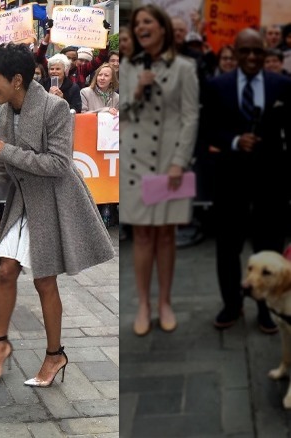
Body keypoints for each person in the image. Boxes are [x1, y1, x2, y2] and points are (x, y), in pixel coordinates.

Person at [0, 43, 114, 386]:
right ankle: (1, 347)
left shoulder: (55, 108)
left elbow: (59, 165)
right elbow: (3, 171)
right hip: (22, 202)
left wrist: (8, 151)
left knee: (45, 281)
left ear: (17, 80)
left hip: (54, 201)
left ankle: (55, 355)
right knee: (6, 271)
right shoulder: (2, 113)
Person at [203, 28, 291, 332]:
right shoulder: (217, 86)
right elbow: (207, 130)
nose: (252, 57)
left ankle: (267, 308)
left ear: (266, 53)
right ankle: (232, 304)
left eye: (258, 51)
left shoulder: (282, 85)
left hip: (272, 182)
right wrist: (235, 140)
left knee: (270, 247)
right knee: (228, 247)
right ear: (235, 52)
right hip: (230, 180)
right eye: (246, 51)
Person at [120, 4, 199, 336]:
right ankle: (143, 304)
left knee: (166, 234)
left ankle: (165, 301)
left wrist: (180, 160)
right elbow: (120, 112)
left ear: (163, 28)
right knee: (142, 235)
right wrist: (137, 90)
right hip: (134, 163)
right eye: (137, 24)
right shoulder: (127, 66)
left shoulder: (185, 68)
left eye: (147, 22)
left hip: (169, 162)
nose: (141, 28)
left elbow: (190, 116)